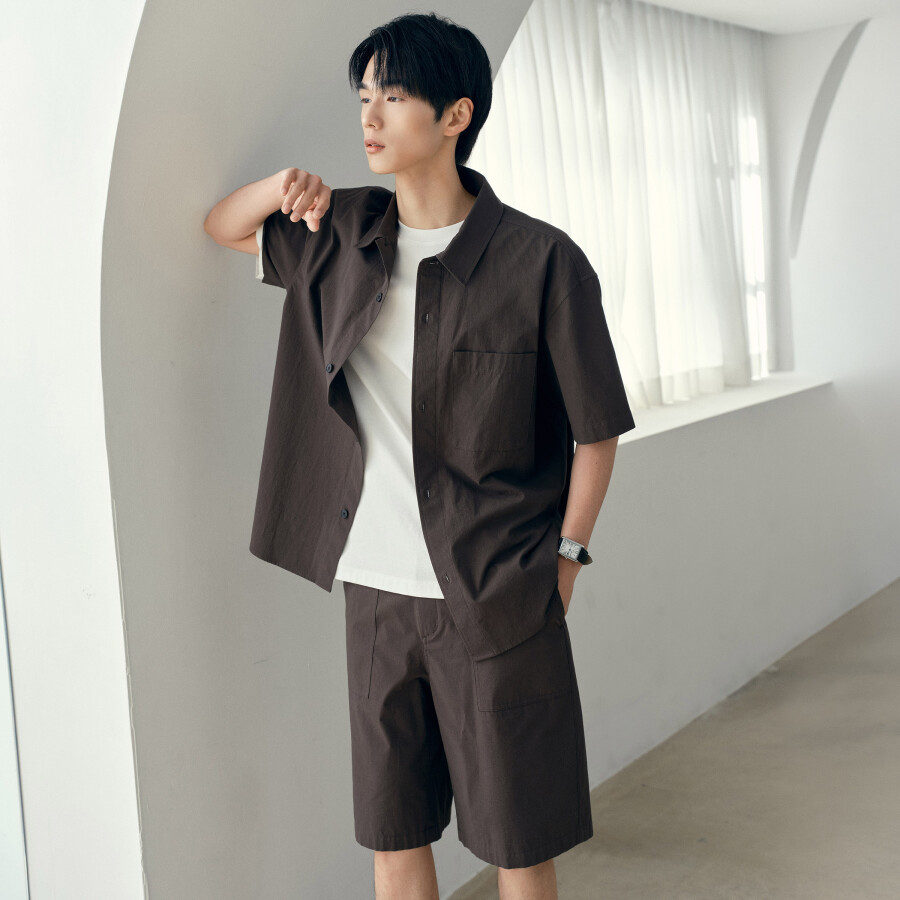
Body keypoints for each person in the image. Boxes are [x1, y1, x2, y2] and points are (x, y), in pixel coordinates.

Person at [204, 11, 635, 899]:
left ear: (455, 115)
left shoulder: (542, 261)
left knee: (519, 842)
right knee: (393, 835)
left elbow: (597, 431)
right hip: (375, 592)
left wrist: (564, 563)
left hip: (498, 590)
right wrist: (281, 185)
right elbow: (222, 226)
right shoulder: (338, 234)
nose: (369, 117)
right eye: (363, 96)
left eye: (393, 97)